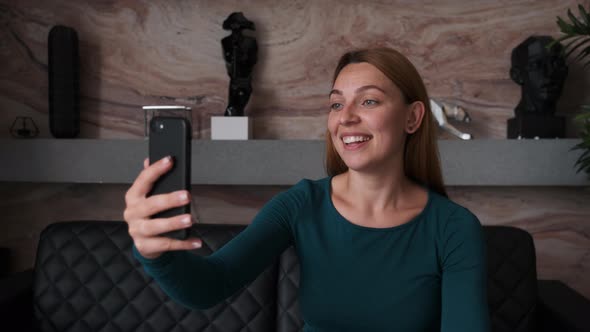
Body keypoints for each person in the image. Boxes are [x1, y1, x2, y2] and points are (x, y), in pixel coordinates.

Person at [124, 47, 490, 331]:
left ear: (412, 117)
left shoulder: (453, 228)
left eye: (369, 100)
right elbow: (210, 285)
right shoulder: (302, 204)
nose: (345, 117)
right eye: (335, 103)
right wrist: (156, 254)